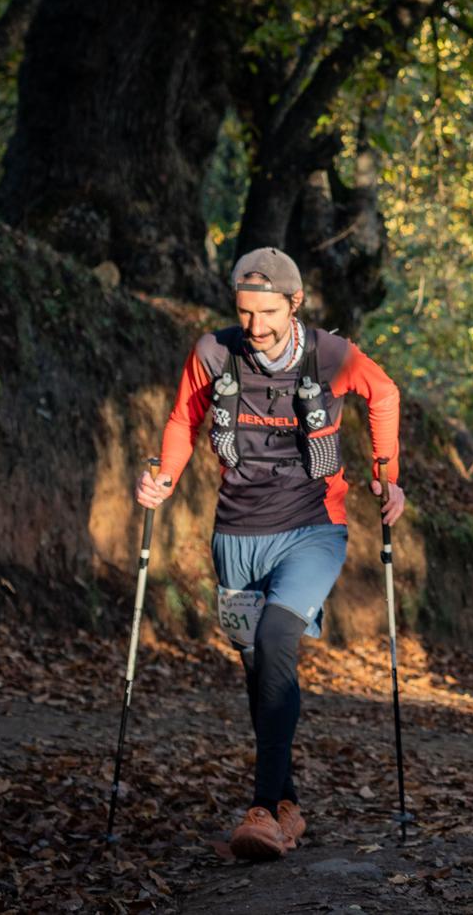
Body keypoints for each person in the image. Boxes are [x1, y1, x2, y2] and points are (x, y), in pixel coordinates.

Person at [136, 246, 405, 862]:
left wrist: (389, 475)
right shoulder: (213, 352)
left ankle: (260, 810)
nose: (254, 328)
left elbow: (383, 393)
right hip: (235, 534)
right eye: (244, 313)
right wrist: (164, 478)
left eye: (267, 314)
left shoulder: (331, 355)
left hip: (314, 525)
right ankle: (286, 807)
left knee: (280, 637)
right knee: (259, 671)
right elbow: (183, 420)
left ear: (294, 303)